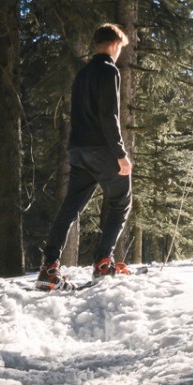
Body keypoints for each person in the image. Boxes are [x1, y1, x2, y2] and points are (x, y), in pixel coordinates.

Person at [36, 23, 135, 290]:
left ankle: (48, 268)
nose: (119, 54)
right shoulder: (109, 70)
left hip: (78, 150)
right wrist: (120, 154)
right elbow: (108, 116)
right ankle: (103, 263)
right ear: (114, 44)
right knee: (121, 202)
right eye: (120, 48)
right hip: (102, 150)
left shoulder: (82, 73)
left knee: (70, 208)